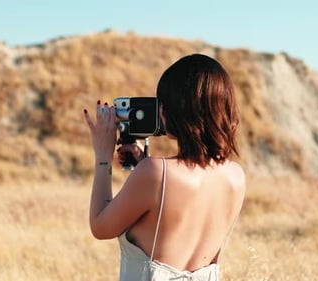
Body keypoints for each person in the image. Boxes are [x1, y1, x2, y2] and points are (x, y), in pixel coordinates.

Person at [83, 53, 245, 280]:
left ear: (176, 110)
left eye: (163, 103)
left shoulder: (155, 173)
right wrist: (144, 166)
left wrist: (102, 155)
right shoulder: (236, 176)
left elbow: (100, 227)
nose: (160, 111)